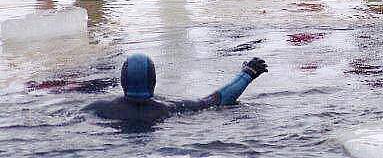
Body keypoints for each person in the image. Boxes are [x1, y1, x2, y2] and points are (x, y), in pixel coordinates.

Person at [84, 54, 267, 125]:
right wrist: (247, 74)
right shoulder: (169, 108)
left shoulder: (97, 108)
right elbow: (215, 101)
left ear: (123, 80)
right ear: (153, 81)